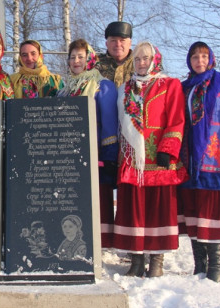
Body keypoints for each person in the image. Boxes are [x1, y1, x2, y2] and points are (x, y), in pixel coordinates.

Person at [112, 42, 187, 277]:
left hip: (159, 158)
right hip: (132, 159)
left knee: (158, 209)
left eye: (146, 58)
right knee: (134, 208)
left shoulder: (169, 85)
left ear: (155, 59)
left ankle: (156, 260)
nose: (142, 63)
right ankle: (135, 259)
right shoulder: (125, 88)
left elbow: (176, 119)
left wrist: (168, 148)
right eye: (137, 59)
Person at [178, 42, 220, 282]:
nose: (199, 61)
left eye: (204, 56)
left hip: (215, 160)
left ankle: (216, 265)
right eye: (195, 57)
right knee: (194, 212)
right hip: (189, 161)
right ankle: (199, 264)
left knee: (213, 213)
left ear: (211, 59)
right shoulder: (184, 88)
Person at [58, 39, 118, 248]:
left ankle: (99, 241)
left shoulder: (102, 86)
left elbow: (110, 123)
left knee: (96, 198)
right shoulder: (64, 90)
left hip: (94, 153)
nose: (76, 61)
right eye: (73, 57)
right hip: (68, 153)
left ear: (90, 59)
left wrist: (109, 155)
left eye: (81, 57)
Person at [95, 21, 135, 86]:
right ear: (106, 44)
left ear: (130, 43)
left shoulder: (140, 64)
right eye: (113, 40)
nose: (118, 44)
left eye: (122, 40)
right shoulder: (94, 64)